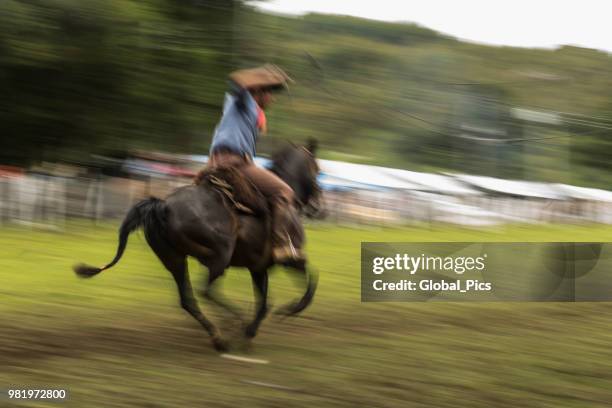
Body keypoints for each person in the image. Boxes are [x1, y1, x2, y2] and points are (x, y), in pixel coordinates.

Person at [208, 64, 303, 264]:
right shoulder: (244, 101)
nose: (273, 98)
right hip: (235, 163)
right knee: (284, 192)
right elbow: (239, 83)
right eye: (269, 92)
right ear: (258, 91)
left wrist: (276, 80)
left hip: (215, 162)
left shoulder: (240, 107)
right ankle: (279, 246)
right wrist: (267, 77)